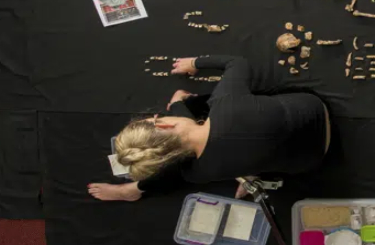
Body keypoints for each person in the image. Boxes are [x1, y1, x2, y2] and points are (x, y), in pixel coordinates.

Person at [88, 55, 329, 201]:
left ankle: (136, 189)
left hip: (312, 159)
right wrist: (195, 63)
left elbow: (186, 136)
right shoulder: (225, 102)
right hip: (313, 110)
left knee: (200, 139)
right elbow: (237, 62)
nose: (157, 115)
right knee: (206, 105)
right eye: (155, 118)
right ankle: (135, 189)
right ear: (164, 122)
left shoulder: (196, 173)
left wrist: (179, 108)